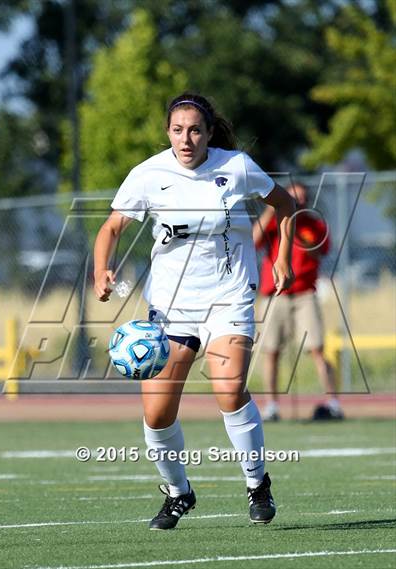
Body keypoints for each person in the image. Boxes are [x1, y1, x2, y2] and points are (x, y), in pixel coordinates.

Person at [93, 92, 295, 530]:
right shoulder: (148, 174)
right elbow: (111, 227)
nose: (187, 139)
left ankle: (257, 483)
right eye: (178, 130)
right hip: (171, 306)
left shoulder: (235, 167)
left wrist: (282, 257)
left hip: (229, 296)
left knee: (228, 390)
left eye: (195, 130)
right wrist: (101, 270)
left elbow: (284, 203)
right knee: (157, 414)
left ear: (207, 134)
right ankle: (178, 492)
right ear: (168, 132)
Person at [253, 182, 344, 421]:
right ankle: (271, 406)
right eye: (292, 199)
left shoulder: (314, 225)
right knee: (271, 351)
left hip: (304, 294)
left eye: (301, 199)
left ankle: (333, 402)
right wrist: (273, 209)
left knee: (317, 348)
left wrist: (298, 230)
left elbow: (319, 251)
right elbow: (254, 240)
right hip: (275, 294)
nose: (297, 203)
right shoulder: (273, 222)